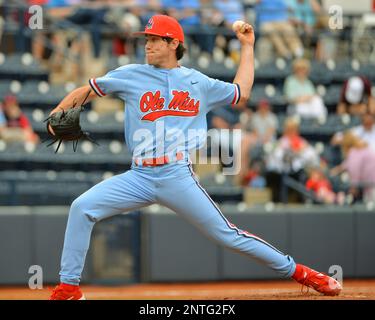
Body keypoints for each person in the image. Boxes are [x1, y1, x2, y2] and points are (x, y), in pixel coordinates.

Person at [48, 14, 341, 300]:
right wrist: (58, 112)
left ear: (173, 43)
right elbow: (87, 90)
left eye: (154, 40)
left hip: (177, 175)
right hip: (138, 176)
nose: (147, 45)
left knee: (228, 235)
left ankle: (302, 273)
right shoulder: (130, 74)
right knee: (82, 207)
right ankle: (69, 289)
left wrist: (248, 47)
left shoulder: (198, 82)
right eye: (146, 39)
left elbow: (242, 93)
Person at [331, 131, 375, 204]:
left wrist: (354, 187)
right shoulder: (360, 150)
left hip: (371, 185)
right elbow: (347, 164)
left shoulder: (354, 152)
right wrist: (337, 170)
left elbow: (355, 170)